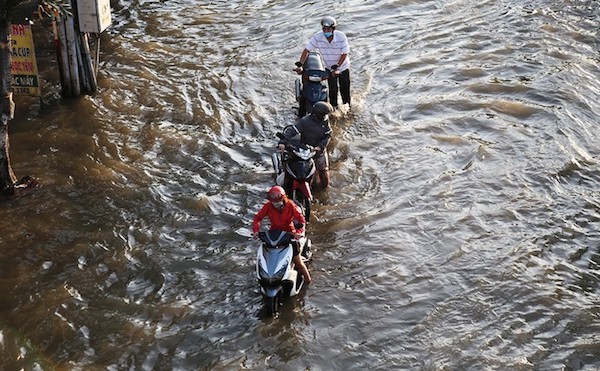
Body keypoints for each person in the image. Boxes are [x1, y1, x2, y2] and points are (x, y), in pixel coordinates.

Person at [252, 186, 312, 284]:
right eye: (273, 202)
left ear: (283, 198)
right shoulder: (268, 206)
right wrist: (256, 230)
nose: (275, 204)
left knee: (298, 262)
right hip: (274, 235)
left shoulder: (291, 206)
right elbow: (258, 218)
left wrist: (298, 233)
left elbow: (301, 220)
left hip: (289, 235)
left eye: (277, 201)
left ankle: (308, 279)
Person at [297, 15, 351, 109]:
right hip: (328, 67)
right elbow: (306, 51)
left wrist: (337, 67)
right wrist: (300, 65)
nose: (326, 31)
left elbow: (344, 53)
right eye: (324, 29)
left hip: (342, 66)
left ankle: (348, 108)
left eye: (328, 29)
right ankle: (334, 109)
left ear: (333, 29)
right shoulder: (318, 37)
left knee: (345, 90)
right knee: (332, 90)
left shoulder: (341, 37)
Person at [278, 101, 333, 188]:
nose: (324, 117)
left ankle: (325, 188)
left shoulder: (325, 121)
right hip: (307, 151)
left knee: (324, 172)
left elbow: (328, 135)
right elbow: (291, 131)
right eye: (323, 115)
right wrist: (282, 142)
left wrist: (320, 146)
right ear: (316, 114)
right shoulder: (304, 121)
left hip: (320, 151)